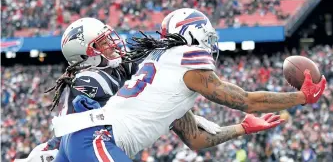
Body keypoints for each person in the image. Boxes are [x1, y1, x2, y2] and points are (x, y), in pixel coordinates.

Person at [52, 8, 318, 160]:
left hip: (82, 141)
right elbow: (248, 100)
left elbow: (196, 139)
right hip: (95, 138)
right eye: (208, 36)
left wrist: (242, 128)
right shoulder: (184, 58)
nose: (212, 44)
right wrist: (301, 97)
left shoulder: (165, 77)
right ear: (194, 34)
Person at [16, 17, 227, 162]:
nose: (111, 43)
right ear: (86, 54)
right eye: (102, 42)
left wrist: (188, 114)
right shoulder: (89, 80)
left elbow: (154, 88)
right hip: (69, 150)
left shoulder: (117, 69)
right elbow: (78, 135)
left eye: (108, 37)